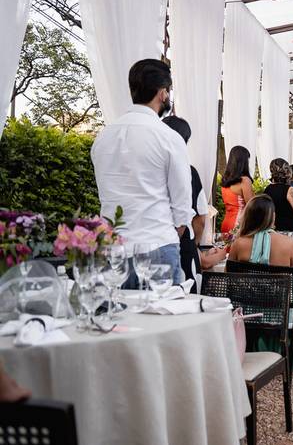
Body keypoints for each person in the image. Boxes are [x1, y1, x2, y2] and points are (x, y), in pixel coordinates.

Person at [91, 59, 191, 286]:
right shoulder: (169, 138)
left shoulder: (104, 136)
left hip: (112, 250)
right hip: (157, 246)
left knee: (118, 321)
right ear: (162, 93)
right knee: (165, 321)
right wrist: (169, 233)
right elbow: (182, 204)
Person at [229, 195, 293, 368]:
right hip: (280, 311)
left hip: (248, 312)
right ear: (272, 216)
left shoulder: (239, 244)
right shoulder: (289, 243)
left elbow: (230, 278)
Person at [162, 116, 209, 283]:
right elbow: (201, 217)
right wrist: (194, 242)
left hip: (155, 242)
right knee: (188, 296)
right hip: (184, 243)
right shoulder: (190, 172)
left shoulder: (153, 169)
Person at [264, 158, 293, 235]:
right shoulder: (290, 190)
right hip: (288, 234)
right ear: (288, 172)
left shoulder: (267, 190)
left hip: (271, 234)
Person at [220, 146, 254, 236]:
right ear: (243, 162)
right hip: (239, 224)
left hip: (226, 222)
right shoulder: (245, 180)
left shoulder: (225, 180)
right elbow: (252, 205)